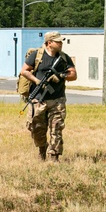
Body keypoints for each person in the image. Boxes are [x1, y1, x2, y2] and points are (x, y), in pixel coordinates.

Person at [19, 31, 77, 161]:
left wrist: (61, 75)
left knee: (56, 128)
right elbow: (24, 71)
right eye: (58, 41)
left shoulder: (63, 58)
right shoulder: (36, 55)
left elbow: (73, 74)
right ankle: (42, 148)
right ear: (49, 43)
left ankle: (54, 156)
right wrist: (37, 81)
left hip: (57, 100)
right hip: (38, 99)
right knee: (37, 128)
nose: (61, 43)